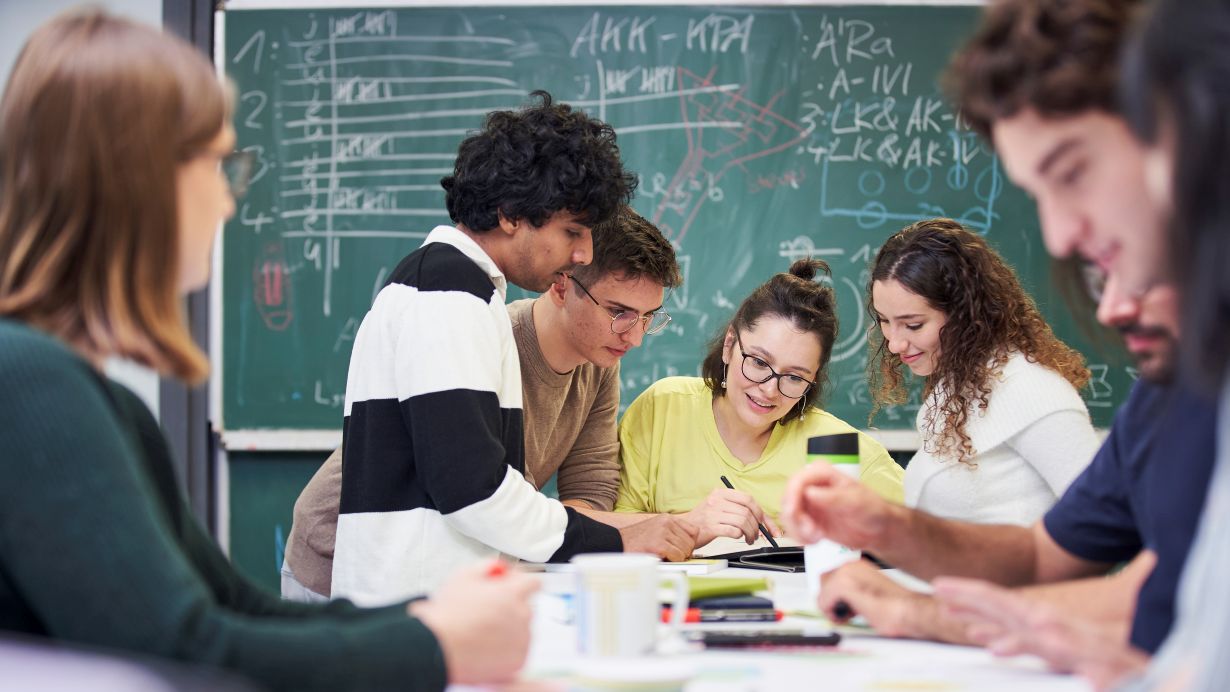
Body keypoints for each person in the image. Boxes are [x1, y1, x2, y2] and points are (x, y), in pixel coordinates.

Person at [0, 9, 538, 690]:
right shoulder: (30, 383)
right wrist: (436, 649)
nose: (230, 200)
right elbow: (176, 646)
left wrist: (439, 619)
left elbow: (234, 606)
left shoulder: (99, 399)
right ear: (138, 175)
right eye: (220, 162)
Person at [779, 0, 1217, 669]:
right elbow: (1058, 554)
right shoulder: (1171, 387)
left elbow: (1138, 598)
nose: (1061, 237)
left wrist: (918, 612)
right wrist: (887, 530)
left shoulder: (1036, 394)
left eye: (1071, 172)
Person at [329, 90, 699, 606]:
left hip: (426, 599)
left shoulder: (463, 292)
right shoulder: (446, 296)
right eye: (572, 231)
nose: (582, 253)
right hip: (407, 605)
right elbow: (473, 491)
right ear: (509, 214)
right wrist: (618, 537)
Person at [283, 206, 689, 601]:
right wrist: (633, 531)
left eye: (648, 317)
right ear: (562, 283)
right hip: (343, 561)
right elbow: (474, 490)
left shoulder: (599, 362)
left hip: (442, 563)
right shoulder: (478, 332)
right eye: (619, 313)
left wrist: (622, 532)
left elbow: (588, 490)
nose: (633, 337)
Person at [615, 259, 904, 547]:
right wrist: (689, 526)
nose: (769, 390)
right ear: (729, 346)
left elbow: (928, 529)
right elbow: (612, 531)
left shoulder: (835, 445)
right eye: (758, 362)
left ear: (812, 381)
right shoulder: (663, 408)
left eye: (793, 377)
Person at [869, 218, 1100, 525]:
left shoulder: (1035, 392)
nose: (895, 343)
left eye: (913, 325)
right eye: (884, 320)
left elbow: (1102, 519)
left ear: (964, 314)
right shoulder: (956, 390)